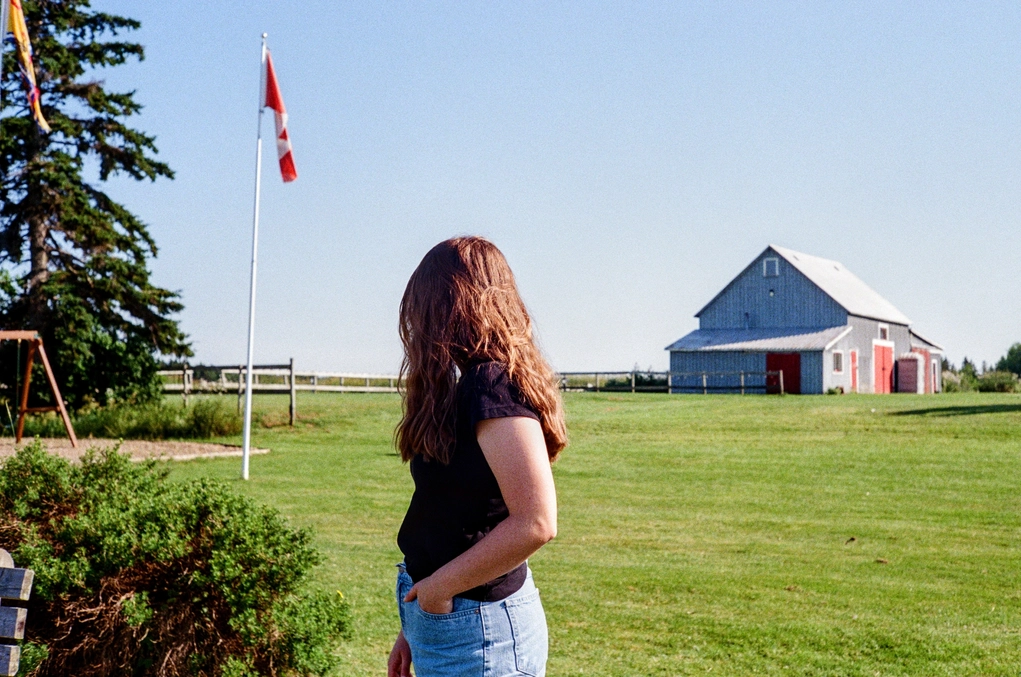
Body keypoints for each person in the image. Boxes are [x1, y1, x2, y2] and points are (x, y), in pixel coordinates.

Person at [387, 237, 568, 677]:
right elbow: (449, 518)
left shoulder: (492, 385)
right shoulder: (470, 386)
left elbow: (537, 522)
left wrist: (437, 591)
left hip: (478, 633)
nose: (416, 320)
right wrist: (414, 623)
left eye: (425, 303)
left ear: (453, 304)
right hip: (451, 620)